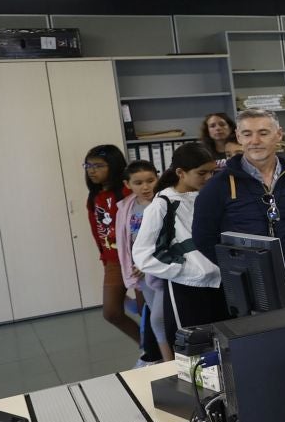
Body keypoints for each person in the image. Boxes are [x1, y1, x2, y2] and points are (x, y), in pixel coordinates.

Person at [191, 109, 285, 290]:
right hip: (245, 282)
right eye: (247, 134)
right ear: (238, 137)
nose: (255, 141)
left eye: (263, 133)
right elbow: (203, 237)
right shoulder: (218, 185)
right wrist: (236, 268)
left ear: (278, 135)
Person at [133, 143, 224, 338]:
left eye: (212, 172)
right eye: (202, 173)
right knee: (195, 350)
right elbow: (144, 255)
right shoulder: (161, 205)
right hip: (187, 289)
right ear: (181, 172)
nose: (209, 178)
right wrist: (187, 270)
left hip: (220, 285)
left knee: (224, 345)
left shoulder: (209, 196)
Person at [82, 144, 140, 343]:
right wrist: (104, 258)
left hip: (137, 261)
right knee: (111, 312)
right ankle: (146, 347)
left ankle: (155, 351)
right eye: (88, 165)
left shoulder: (128, 192)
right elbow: (97, 231)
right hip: (113, 261)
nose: (91, 170)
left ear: (114, 166)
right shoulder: (95, 197)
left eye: (98, 165)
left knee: (146, 311)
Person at [116, 159, 161, 362]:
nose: (145, 187)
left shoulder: (162, 202)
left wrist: (147, 264)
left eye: (150, 180)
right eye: (138, 182)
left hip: (158, 267)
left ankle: (163, 356)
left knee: (160, 316)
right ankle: (157, 356)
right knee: (152, 312)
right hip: (139, 269)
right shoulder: (127, 207)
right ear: (128, 185)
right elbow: (125, 240)